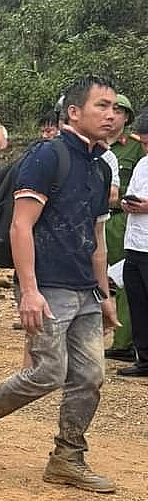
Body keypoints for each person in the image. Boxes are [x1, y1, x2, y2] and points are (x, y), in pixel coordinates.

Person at [0, 76, 119, 492]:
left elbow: (97, 240)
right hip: (47, 285)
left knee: (90, 375)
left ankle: (67, 456)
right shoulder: (48, 157)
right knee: (49, 371)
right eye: (101, 106)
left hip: (84, 287)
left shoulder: (99, 167)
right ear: (74, 112)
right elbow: (20, 226)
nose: (111, 115)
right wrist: (28, 290)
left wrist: (105, 295)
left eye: (114, 108)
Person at [104, 93, 145, 361]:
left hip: (123, 219)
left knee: (125, 280)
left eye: (119, 111)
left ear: (127, 118)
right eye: (107, 109)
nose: (112, 115)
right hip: (99, 219)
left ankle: (125, 341)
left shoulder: (135, 147)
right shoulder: (94, 145)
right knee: (104, 278)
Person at [118, 110, 148, 377]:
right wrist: (128, 204)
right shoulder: (142, 164)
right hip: (136, 243)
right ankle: (144, 358)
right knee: (137, 303)